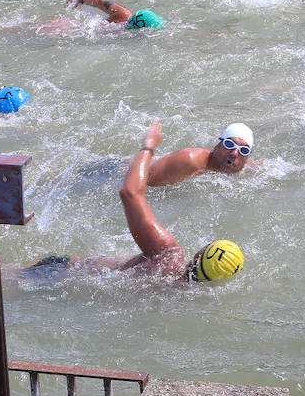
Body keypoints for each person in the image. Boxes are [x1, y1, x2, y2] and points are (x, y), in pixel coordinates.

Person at [25, 121, 220, 282]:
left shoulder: (169, 256)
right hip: (79, 296)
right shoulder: (184, 293)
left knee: (7, 275)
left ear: (199, 256)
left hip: (63, 273)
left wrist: (148, 146)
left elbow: (130, 192)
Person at [145, 122, 254, 184]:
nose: (235, 153)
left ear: (246, 159)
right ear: (217, 146)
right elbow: (138, 185)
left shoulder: (241, 167)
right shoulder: (189, 160)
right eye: (229, 144)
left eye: (244, 150)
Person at [63, 0, 165, 29]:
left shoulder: (124, 12)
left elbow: (99, 2)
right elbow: (99, 2)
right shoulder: (123, 16)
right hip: (90, 29)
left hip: (93, 27)